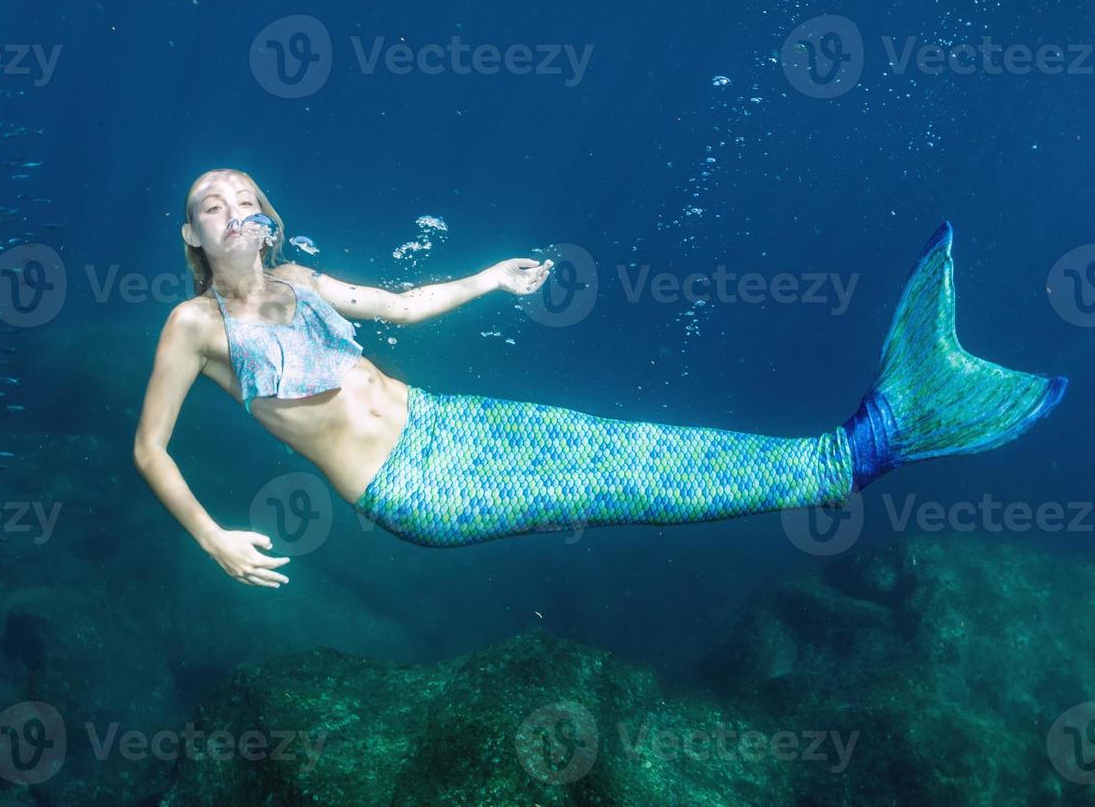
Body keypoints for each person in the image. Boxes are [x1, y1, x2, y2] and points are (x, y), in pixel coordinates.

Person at [133, 168, 1067, 587]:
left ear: (268, 218)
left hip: (449, 418)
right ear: (193, 236)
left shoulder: (301, 279)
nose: (234, 210)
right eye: (211, 205)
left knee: (630, 444)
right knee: (618, 483)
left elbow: (402, 307)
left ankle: (848, 447)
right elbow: (150, 450)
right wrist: (214, 537)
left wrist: (492, 278)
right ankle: (867, 449)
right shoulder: (192, 325)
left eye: (246, 198)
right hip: (416, 485)